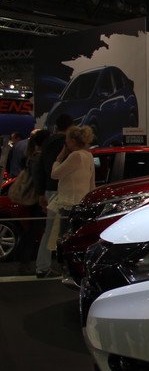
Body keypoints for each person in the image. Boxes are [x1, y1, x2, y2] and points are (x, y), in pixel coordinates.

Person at [46, 125, 96, 262]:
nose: (66, 143)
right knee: (76, 238)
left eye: (67, 140)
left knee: (64, 238)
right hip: (81, 203)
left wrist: (59, 158)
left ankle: (65, 266)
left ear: (73, 141)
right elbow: (92, 182)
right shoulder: (88, 155)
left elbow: (55, 174)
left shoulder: (75, 155)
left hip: (69, 203)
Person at [33, 113, 73, 278]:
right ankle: (60, 267)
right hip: (63, 191)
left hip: (49, 190)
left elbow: (39, 169)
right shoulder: (67, 144)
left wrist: (41, 192)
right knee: (65, 230)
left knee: (50, 230)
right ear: (70, 127)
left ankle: (43, 267)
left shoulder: (47, 142)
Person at [14, 130, 49, 275]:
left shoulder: (30, 156)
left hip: (33, 198)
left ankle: (25, 262)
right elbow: (38, 180)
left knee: (32, 230)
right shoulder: (38, 158)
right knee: (33, 230)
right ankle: (24, 263)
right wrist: (42, 195)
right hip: (36, 199)